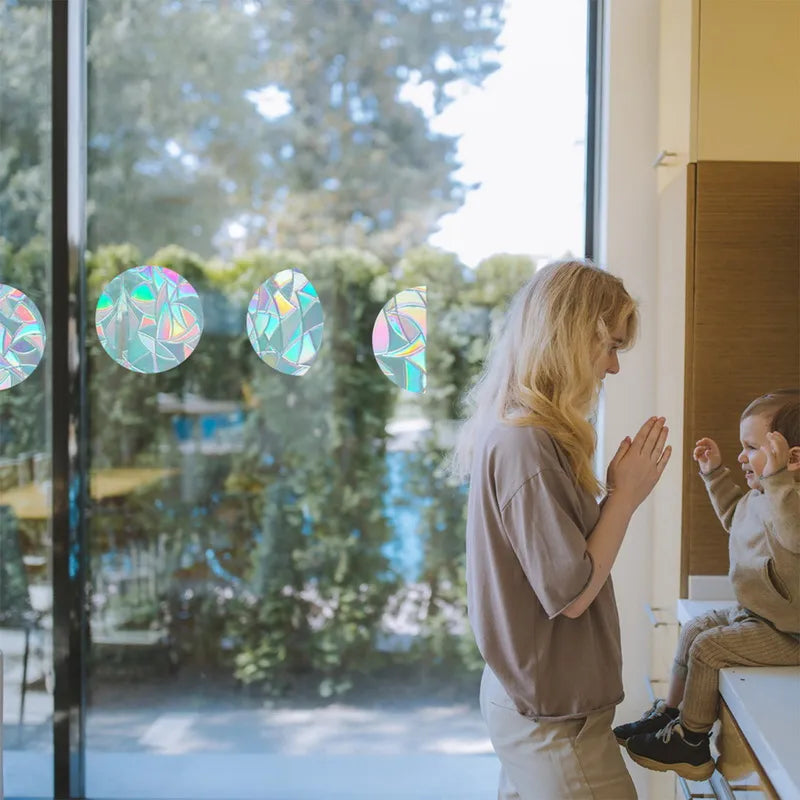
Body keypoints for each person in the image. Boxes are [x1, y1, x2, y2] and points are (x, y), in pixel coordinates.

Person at [450, 259, 672, 800]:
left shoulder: (524, 431)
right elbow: (571, 593)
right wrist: (624, 496)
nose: (614, 367)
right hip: (554, 718)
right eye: (611, 347)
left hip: (533, 698)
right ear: (571, 339)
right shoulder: (526, 444)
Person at [618, 390, 800, 781]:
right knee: (695, 629)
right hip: (759, 614)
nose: (741, 456)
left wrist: (779, 481)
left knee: (709, 648)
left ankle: (691, 741)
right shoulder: (761, 495)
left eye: (751, 447)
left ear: (792, 458)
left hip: (790, 633)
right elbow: (734, 516)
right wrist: (715, 474)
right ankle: (670, 712)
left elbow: (793, 535)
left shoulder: (790, 501)